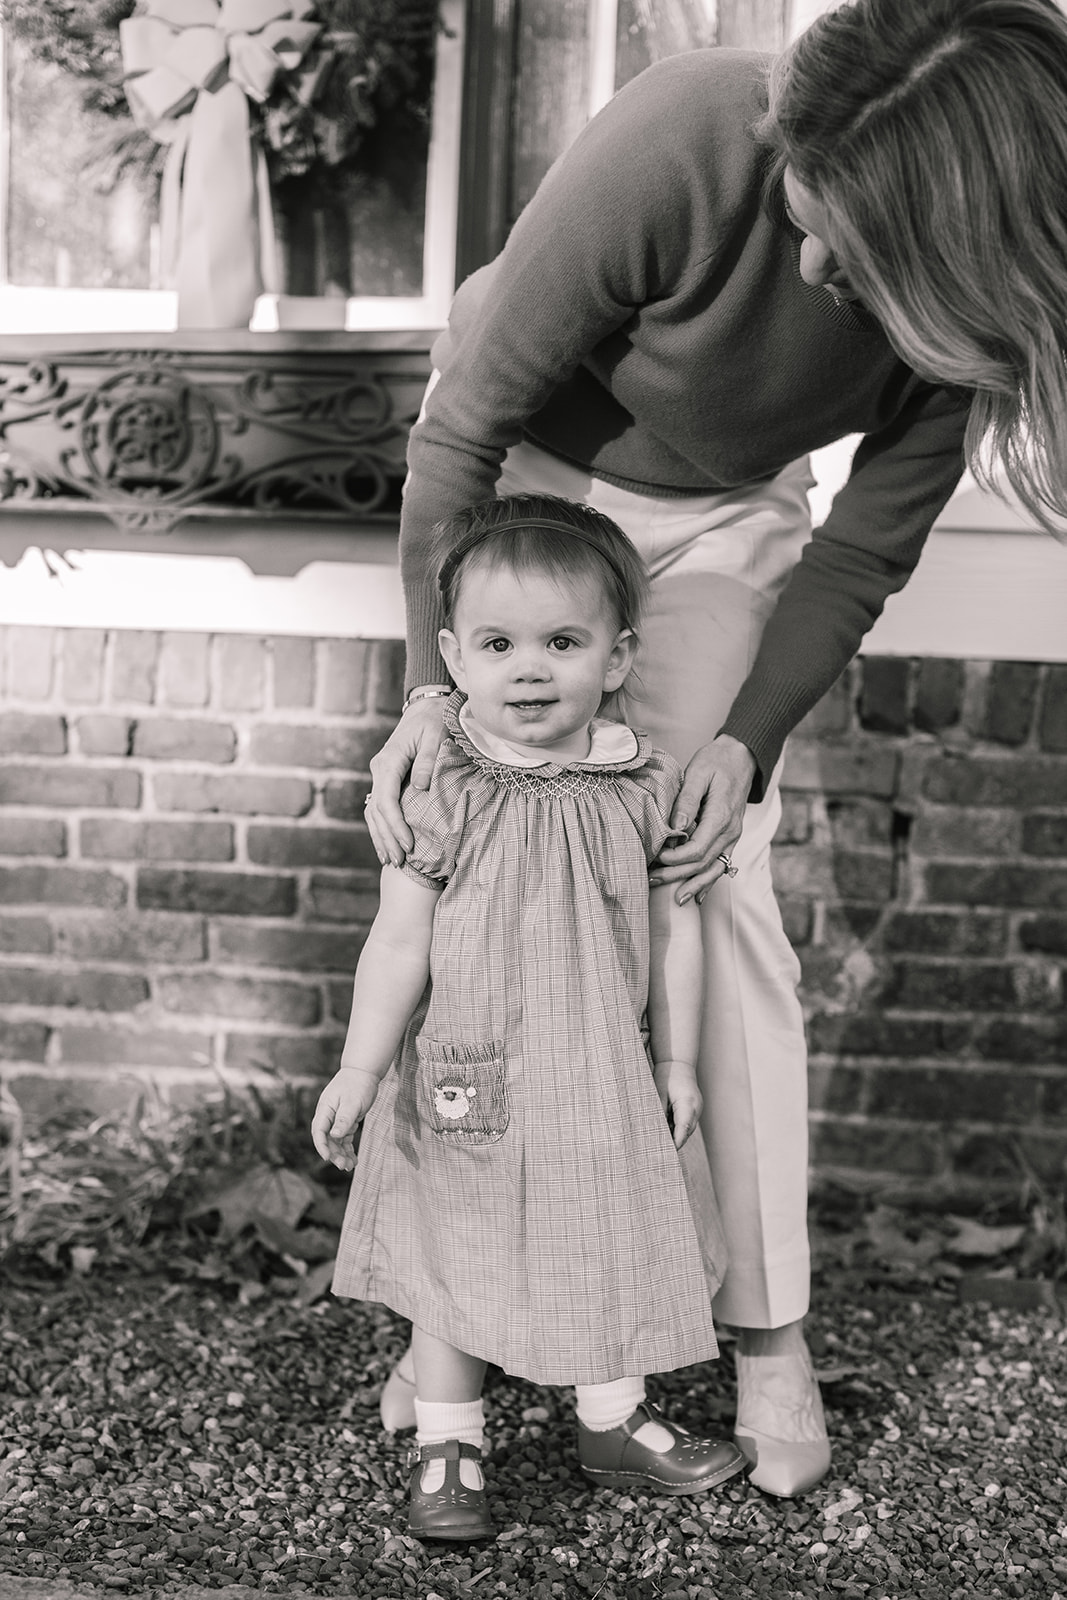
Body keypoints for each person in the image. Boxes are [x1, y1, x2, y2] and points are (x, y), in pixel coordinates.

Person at [364, 0, 1067, 1497]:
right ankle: (456, 1320)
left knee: (698, 876)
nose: (813, 273)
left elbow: (850, 563)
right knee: (464, 868)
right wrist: (428, 705)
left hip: (726, 528)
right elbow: (462, 427)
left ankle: (761, 1326)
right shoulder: (688, 129)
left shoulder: (964, 303)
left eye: (855, 257)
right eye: (808, 218)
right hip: (533, 486)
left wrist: (740, 750)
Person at [312, 494, 746, 1541]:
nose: (531, 667)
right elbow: (399, 941)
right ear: (453, 658)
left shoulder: (640, 784)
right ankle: (450, 1440)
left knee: (606, 1229)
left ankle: (611, 1415)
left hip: (600, 1065)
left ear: (615, 653)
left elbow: (674, 929)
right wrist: (360, 1071)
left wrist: (677, 1063)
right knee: (458, 1245)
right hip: (470, 1062)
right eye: (499, 643)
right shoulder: (445, 788)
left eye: (562, 640)